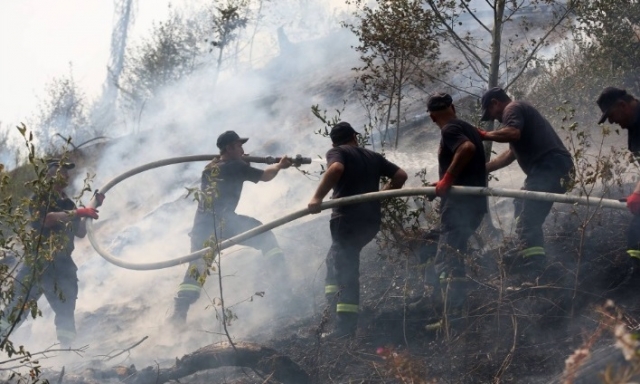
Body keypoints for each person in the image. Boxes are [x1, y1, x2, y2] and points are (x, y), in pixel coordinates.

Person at [169, 130, 293, 325]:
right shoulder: (234, 166)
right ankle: (283, 285)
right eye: (238, 146)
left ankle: (178, 314)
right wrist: (280, 165)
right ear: (229, 148)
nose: (243, 149)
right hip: (224, 223)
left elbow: (235, 175)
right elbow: (266, 176)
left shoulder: (212, 167)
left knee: (198, 268)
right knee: (264, 235)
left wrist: (244, 162)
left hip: (202, 227)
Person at [308, 122, 407, 338]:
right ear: (354, 137)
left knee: (346, 270)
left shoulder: (337, 152)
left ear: (333, 141)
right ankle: (332, 311)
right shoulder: (373, 156)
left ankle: (345, 329)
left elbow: (336, 169)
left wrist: (317, 197)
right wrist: (379, 197)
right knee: (333, 260)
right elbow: (400, 176)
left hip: (347, 220)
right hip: (370, 221)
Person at [0, 158, 102, 347]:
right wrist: (80, 212)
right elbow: (48, 219)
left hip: (62, 267)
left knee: (65, 313)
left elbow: (79, 232)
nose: (66, 175)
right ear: (49, 176)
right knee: (15, 310)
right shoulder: (40, 197)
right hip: (38, 264)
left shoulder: (69, 204)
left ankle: (66, 354)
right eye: (61, 171)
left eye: (66, 172)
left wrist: (92, 207)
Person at [479, 87, 574, 281]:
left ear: (495, 103)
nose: (494, 119)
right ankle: (528, 253)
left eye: (490, 113)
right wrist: (480, 170)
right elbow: (509, 156)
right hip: (554, 168)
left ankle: (536, 270)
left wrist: (483, 134)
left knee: (526, 219)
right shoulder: (520, 117)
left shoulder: (511, 109)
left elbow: (512, 133)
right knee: (522, 206)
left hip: (550, 166)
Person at [419, 93, 487, 330]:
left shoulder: (450, 130)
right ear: (453, 107)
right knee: (441, 249)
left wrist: (447, 179)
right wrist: (439, 185)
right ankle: (450, 310)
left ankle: (454, 319)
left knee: (448, 258)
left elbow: (466, 149)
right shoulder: (467, 126)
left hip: (460, 206)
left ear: (431, 116)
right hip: (472, 204)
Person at [596, 87, 640, 268]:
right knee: (635, 232)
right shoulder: (634, 129)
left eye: (611, 115)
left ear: (622, 105)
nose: (612, 121)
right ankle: (634, 274)